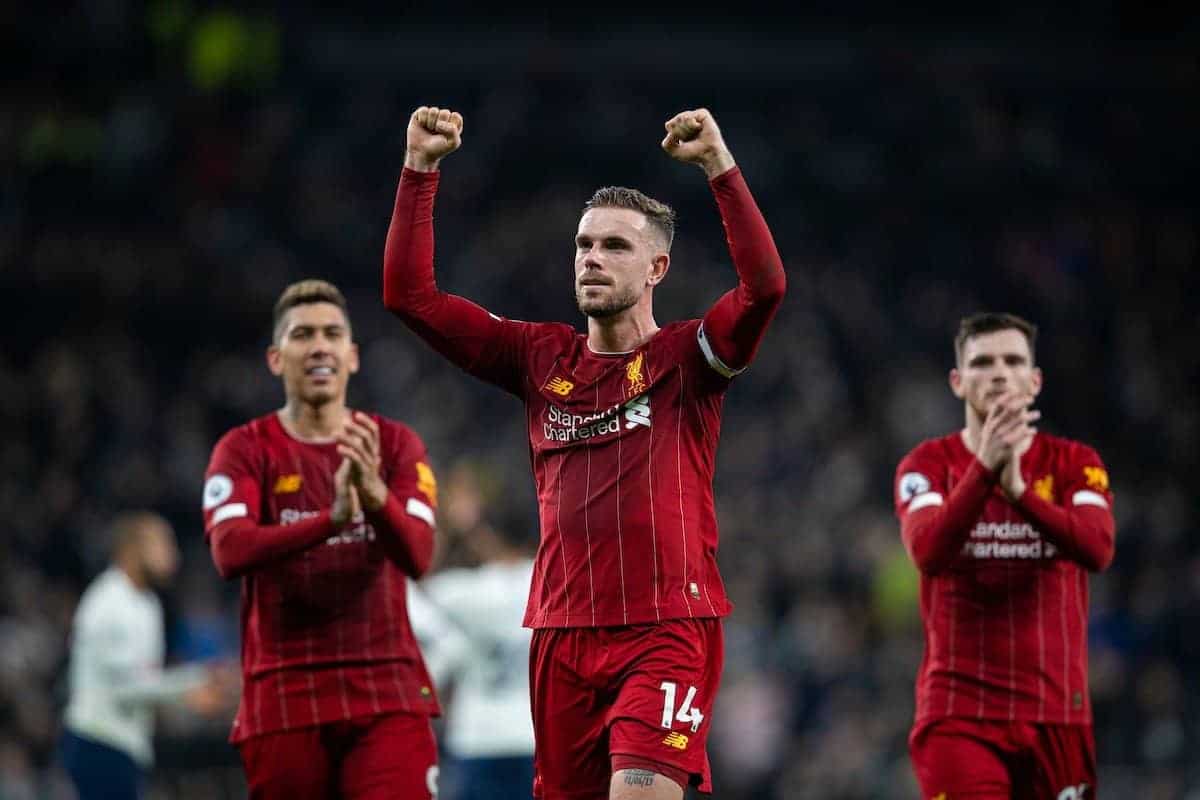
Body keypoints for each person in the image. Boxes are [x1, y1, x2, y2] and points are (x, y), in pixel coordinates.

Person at [383, 106, 786, 799]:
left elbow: (764, 288)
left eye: (615, 247)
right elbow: (409, 296)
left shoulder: (684, 359)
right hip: (561, 635)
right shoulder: (538, 357)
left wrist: (720, 167)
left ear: (658, 266)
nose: (592, 258)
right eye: (584, 245)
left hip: (665, 627)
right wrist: (420, 169)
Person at [202, 279, 442, 799]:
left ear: (352, 357)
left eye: (333, 334)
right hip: (285, 694)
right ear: (275, 358)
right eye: (302, 334)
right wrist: (331, 519)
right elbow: (230, 550)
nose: (319, 346)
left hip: (386, 691)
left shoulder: (396, 445)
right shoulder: (243, 450)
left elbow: (418, 556)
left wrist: (375, 497)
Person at [893, 312, 1116, 799]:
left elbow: (1097, 549)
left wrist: (1019, 492)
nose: (998, 373)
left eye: (1013, 361)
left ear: (1034, 380)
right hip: (958, 717)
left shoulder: (1076, 465)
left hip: (1057, 716)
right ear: (957, 381)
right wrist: (986, 471)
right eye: (983, 362)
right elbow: (928, 551)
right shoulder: (927, 466)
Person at [60, 511, 233, 800]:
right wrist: (191, 684)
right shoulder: (106, 602)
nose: (172, 555)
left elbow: (144, 681)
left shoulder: (146, 602)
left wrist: (190, 691)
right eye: (162, 544)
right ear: (132, 549)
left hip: (126, 745)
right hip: (99, 741)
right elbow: (125, 687)